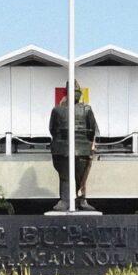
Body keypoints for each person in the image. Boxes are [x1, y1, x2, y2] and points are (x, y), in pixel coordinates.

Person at [48, 80, 99, 212]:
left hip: (79, 148)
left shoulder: (86, 109)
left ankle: (79, 200)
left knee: (79, 177)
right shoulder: (57, 110)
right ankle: (65, 200)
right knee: (66, 176)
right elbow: (53, 129)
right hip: (64, 148)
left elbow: (92, 129)